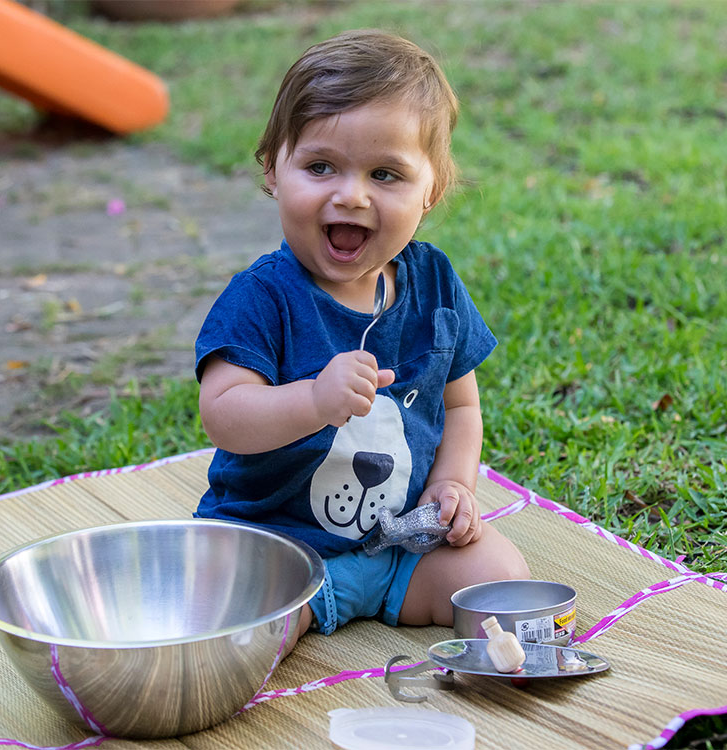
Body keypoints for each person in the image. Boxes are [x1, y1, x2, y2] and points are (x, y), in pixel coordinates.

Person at [194, 29, 530, 651]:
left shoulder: (434, 283)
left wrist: (453, 484)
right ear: (273, 169)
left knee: (501, 578)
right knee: (235, 625)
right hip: (279, 545)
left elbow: (461, 405)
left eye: (385, 173)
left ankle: (383, 597)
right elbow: (224, 418)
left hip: (401, 544)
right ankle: (292, 613)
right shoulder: (263, 297)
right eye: (320, 166)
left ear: (430, 191)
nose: (351, 194)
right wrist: (313, 402)